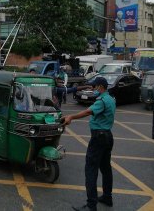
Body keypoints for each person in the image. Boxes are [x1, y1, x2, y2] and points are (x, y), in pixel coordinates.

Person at [61, 77, 116, 211]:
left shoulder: (102, 101)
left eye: (94, 87)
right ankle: (107, 197)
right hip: (108, 136)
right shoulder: (111, 99)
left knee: (91, 170)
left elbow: (87, 112)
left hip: (98, 138)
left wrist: (70, 117)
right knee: (105, 168)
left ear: (100, 87)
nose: (92, 89)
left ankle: (91, 205)